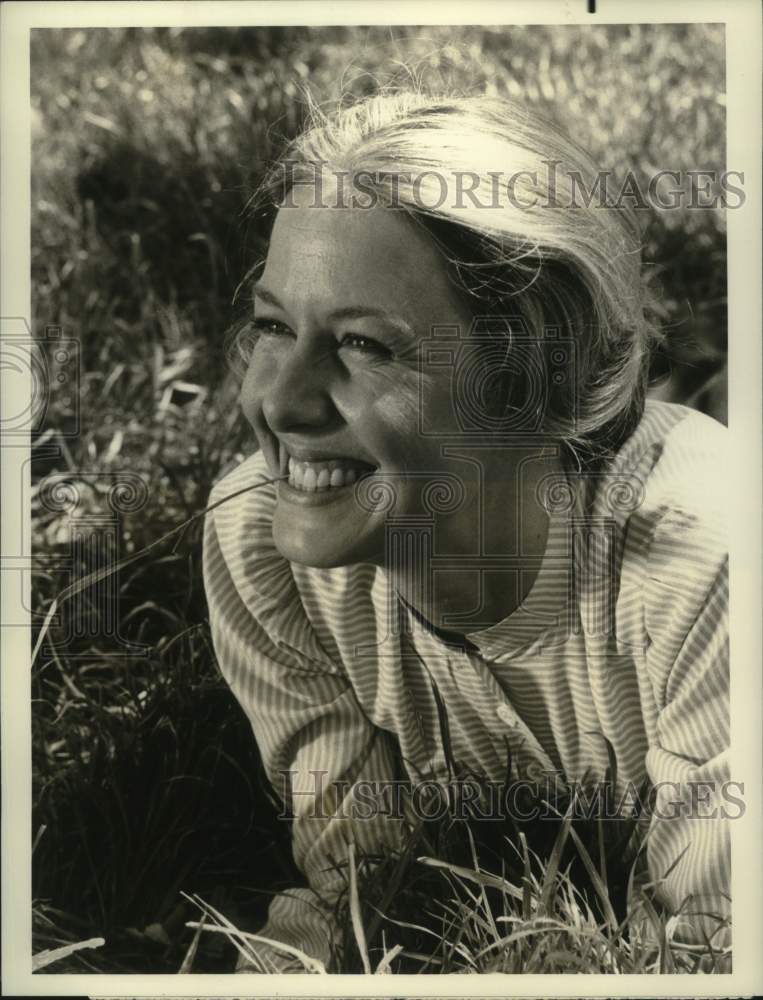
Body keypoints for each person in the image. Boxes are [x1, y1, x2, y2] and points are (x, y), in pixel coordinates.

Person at [203, 91, 730, 972]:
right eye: (270, 326)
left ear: (532, 375)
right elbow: (359, 878)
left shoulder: (704, 565)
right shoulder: (261, 540)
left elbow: (721, 956)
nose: (280, 402)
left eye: (365, 345)